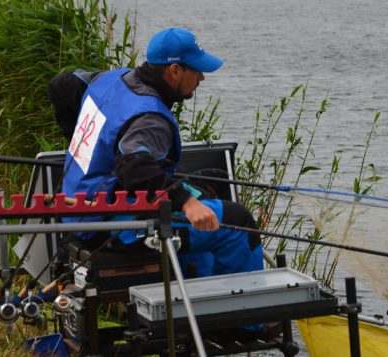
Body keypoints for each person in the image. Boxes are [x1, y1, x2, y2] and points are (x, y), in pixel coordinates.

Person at [48, 28, 263, 277]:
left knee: (203, 194)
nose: (202, 78)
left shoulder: (111, 79)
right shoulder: (150, 117)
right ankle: (243, 314)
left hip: (79, 209)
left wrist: (82, 142)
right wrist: (186, 201)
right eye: (196, 70)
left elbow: (60, 86)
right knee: (238, 221)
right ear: (175, 71)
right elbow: (133, 166)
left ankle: (198, 299)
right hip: (109, 226)